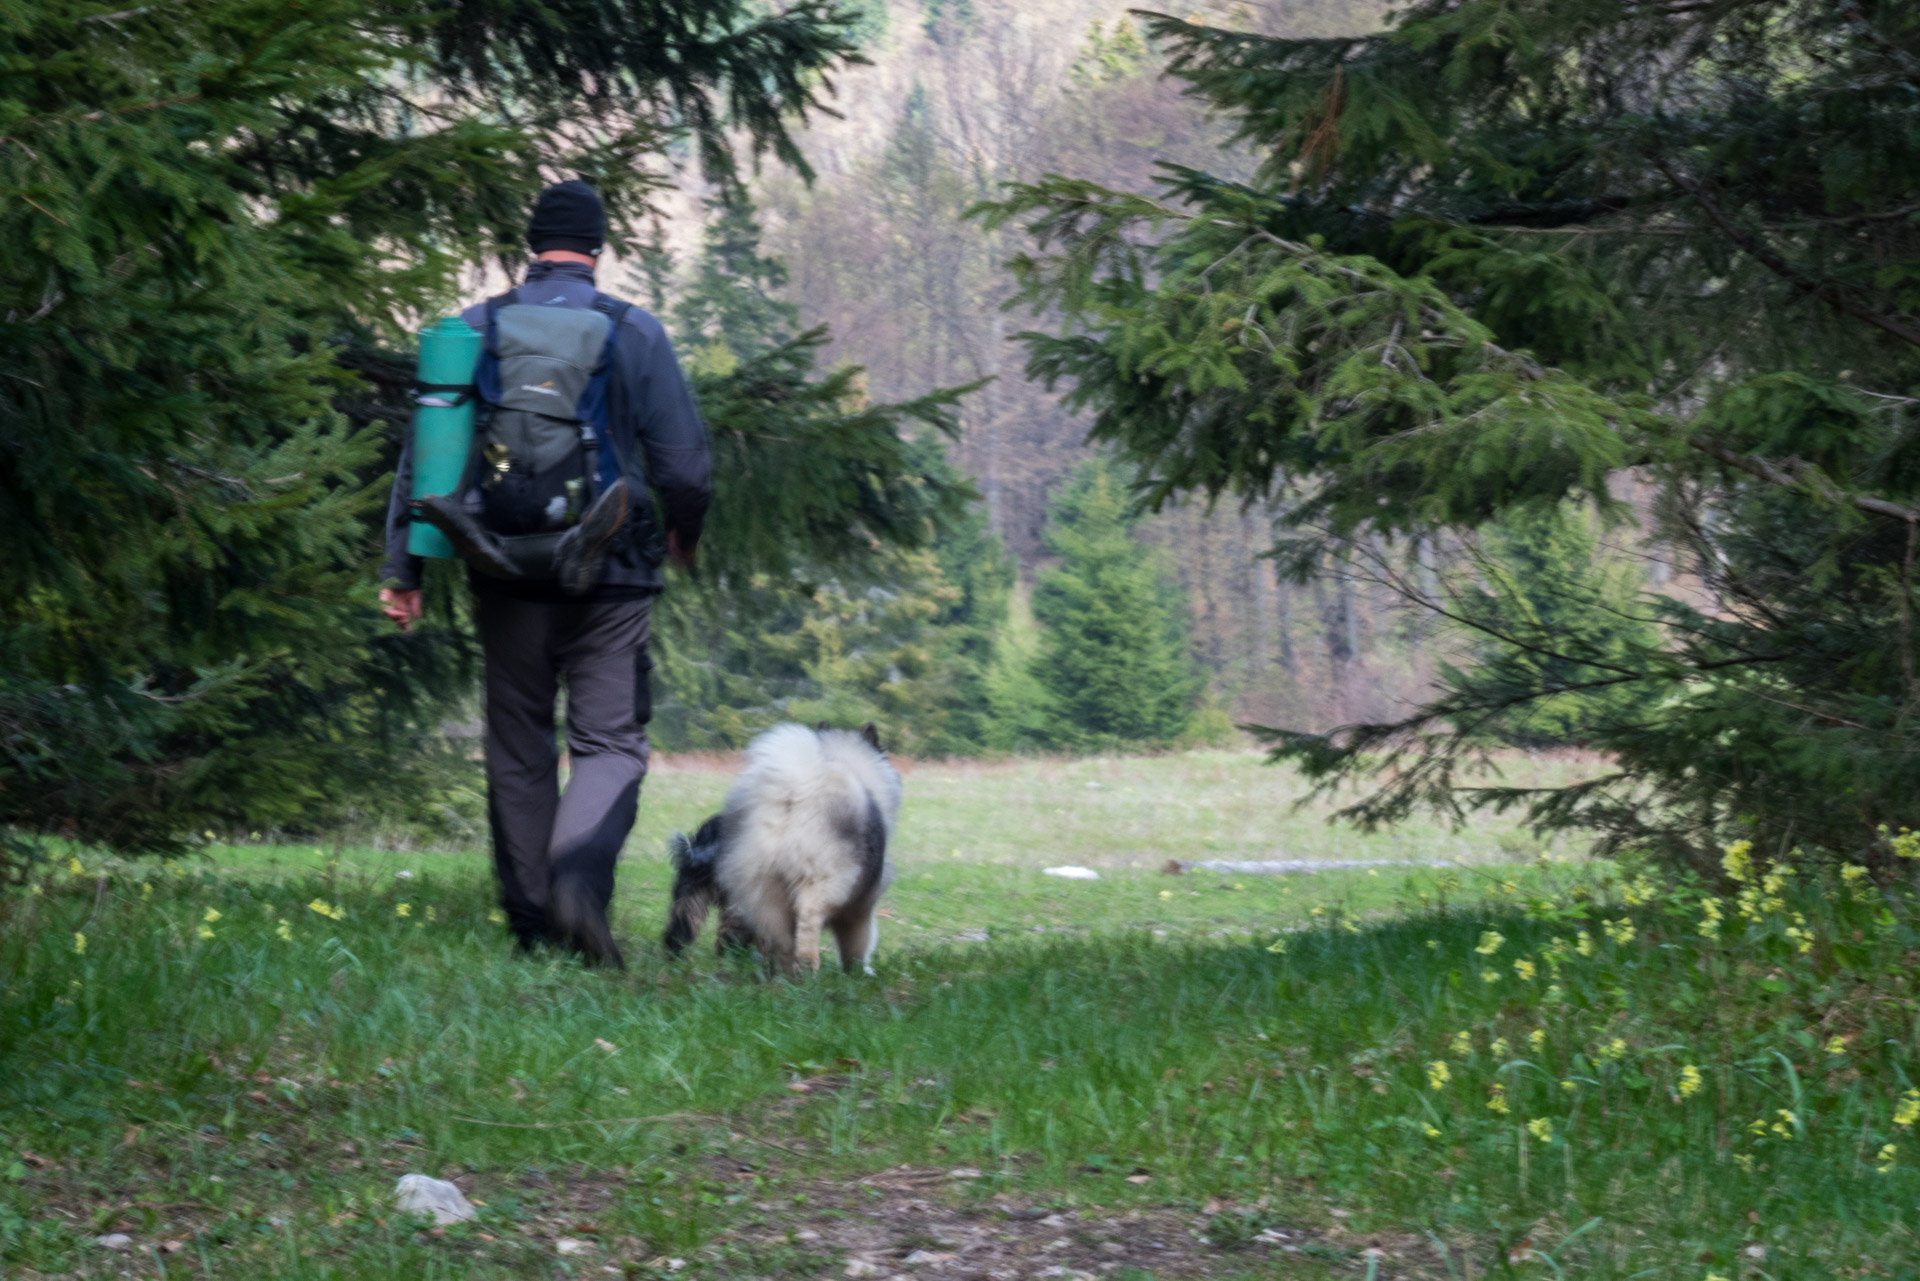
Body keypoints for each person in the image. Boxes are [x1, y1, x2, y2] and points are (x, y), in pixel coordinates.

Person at [379, 180, 711, 968]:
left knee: (519, 744)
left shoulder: (473, 329)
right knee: (608, 744)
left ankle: (533, 925)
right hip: (612, 578)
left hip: (504, 568)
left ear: (532, 245)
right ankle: (578, 884)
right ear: (597, 247)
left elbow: (422, 461)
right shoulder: (634, 332)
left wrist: (404, 568)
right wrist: (682, 533)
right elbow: (686, 467)